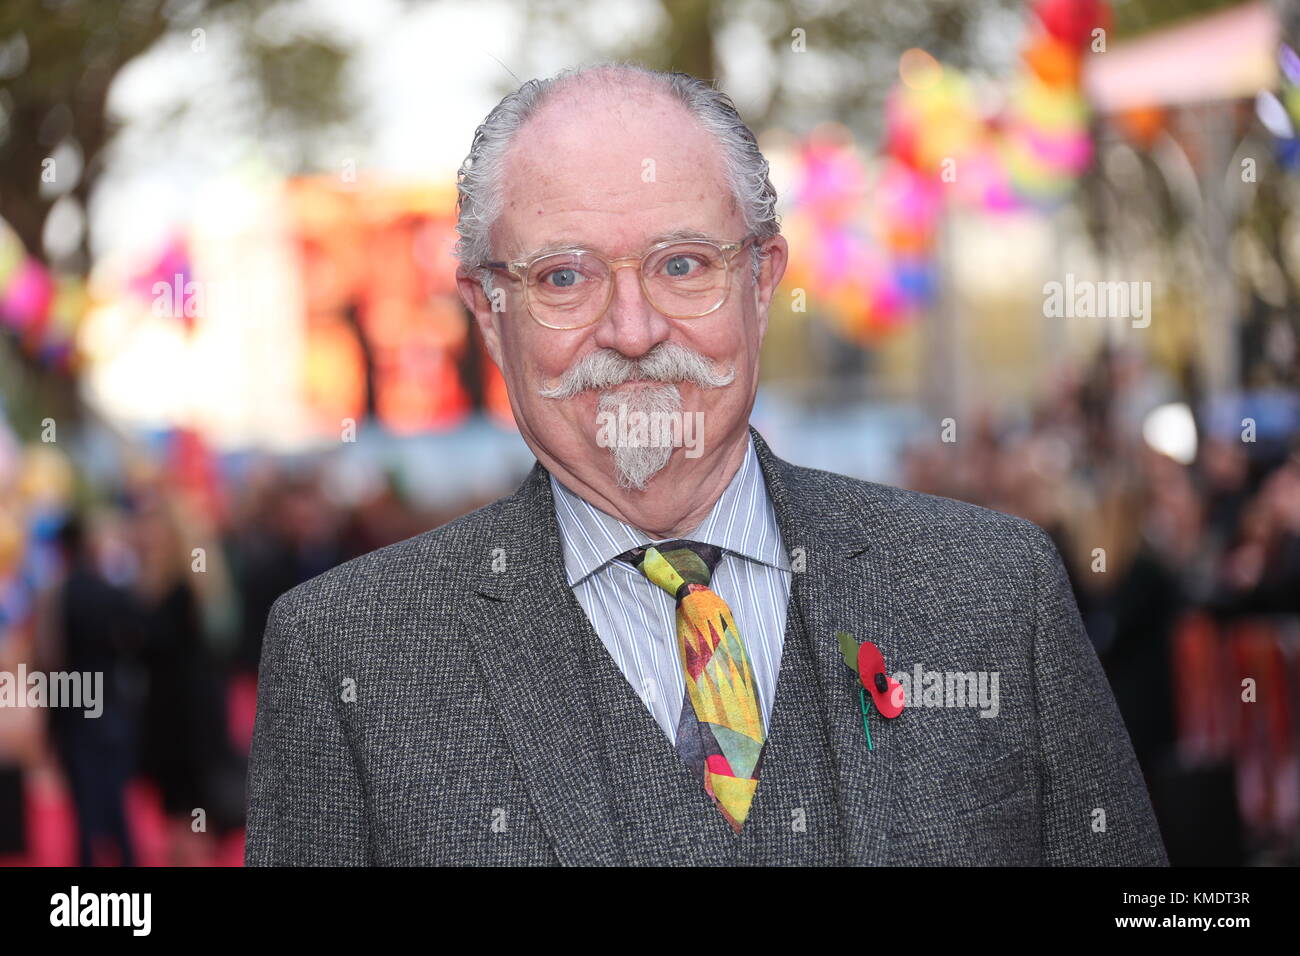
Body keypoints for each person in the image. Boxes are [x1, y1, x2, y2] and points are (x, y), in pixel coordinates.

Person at [246, 63, 1168, 866]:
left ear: (762, 281)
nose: (635, 330)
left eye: (683, 265)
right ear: (489, 313)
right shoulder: (347, 661)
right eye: (564, 277)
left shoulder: (992, 593)